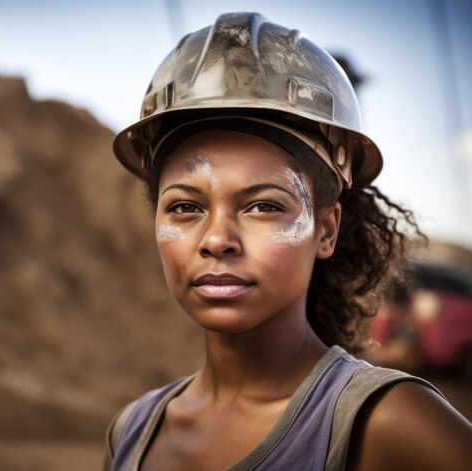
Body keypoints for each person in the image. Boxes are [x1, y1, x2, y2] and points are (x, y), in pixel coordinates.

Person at [104, 12, 472, 471]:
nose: (217, 239)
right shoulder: (132, 432)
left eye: (264, 206)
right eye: (185, 207)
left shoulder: (387, 422)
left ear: (327, 231)